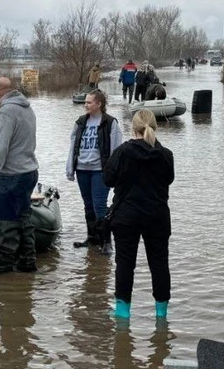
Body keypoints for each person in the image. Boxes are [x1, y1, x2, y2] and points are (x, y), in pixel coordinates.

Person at [103, 110, 175, 319]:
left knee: (125, 264)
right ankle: (161, 315)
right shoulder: (166, 155)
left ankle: (123, 313)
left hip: (126, 216)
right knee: (160, 263)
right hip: (157, 216)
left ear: (132, 128)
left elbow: (107, 180)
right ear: (155, 127)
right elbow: (168, 180)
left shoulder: (122, 152)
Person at [0, 77, 39, 274]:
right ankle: (27, 262)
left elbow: (0, 147)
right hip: (29, 172)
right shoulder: (27, 108)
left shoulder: (6, 112)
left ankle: (4, 265)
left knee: (7, 221)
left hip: (11, 175)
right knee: (24, 217)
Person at [66, 89, 122, 255]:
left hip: (100, 171)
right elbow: (72, 146)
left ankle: (106, 242)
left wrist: (114, 173)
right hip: (82, 169)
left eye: (89, 102)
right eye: (85, 102)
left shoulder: (110, 123)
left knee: (99, 206)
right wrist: (70, 167)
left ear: (99, 104)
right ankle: (92, 239)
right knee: (88, 205)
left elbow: (116, 149)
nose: (86, 105)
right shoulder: (80, 122)